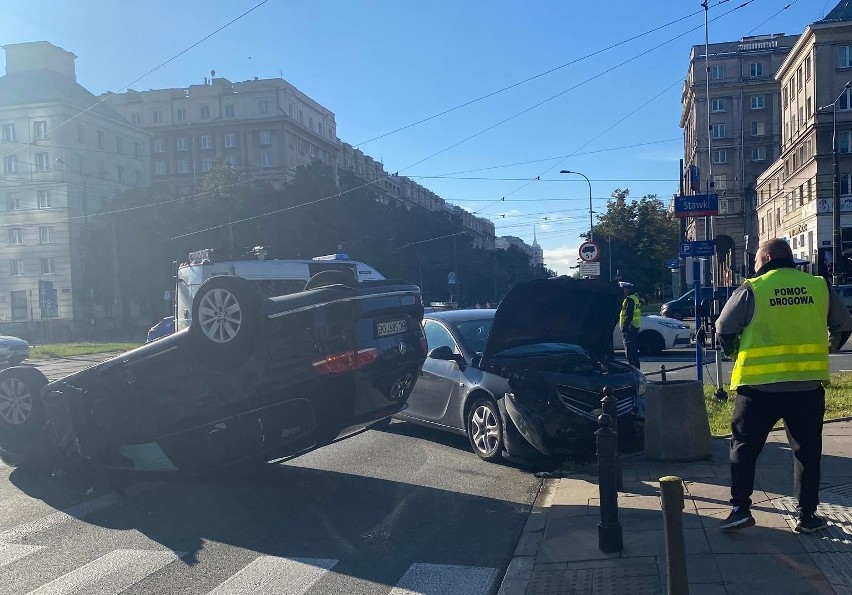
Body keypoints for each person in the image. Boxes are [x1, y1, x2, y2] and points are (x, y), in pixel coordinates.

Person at [715, 238, 852, 532]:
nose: (754, 265)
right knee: (807, 451)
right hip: (806, 388)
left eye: (755, 260)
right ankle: (807, 516)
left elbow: (724, 327)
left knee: (744, 448)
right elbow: (844, 323)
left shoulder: (753, 288)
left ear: (766, 257)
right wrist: (831, 346)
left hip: (758, 389)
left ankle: (740, 508)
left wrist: (733, 351)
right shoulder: (819, 286)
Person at [619, 281, 641, 369]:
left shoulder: (630, 300)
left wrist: (624, 328)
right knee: (633, 352)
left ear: (627, 290)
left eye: (623, 289)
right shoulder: (634, 298)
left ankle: (634, 371)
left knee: (630, 353)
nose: (622, 291)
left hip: (630, 328)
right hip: (634, 327)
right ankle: (636, 370)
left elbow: (629, 315)